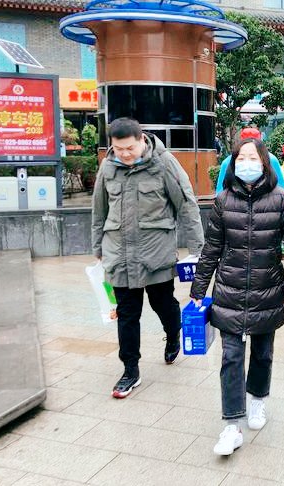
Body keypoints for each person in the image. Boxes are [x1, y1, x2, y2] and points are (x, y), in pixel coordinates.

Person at [190, 138, 284, 456]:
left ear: (265, 162)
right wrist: (199, 288)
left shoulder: (280, 198)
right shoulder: (223, 200)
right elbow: (212, 247)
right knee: (230, 358)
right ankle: (232, 425)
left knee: (263, 353)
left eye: (253, 157)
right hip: (229, 290)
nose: (246, 163)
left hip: (268, 291)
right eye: (241, 158)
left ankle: (257, 400)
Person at [92, 117, 205, 398]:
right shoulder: (108, 166)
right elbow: (99, 210)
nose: (124, 154)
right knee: (127, 314)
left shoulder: (164, 163)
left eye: (129, 148)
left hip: (156, 253)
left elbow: (187, 205)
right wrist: (97, 248)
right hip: (119, 254)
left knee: (162, 304)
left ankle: (173, 333)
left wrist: (197, 250)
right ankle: (130, 370)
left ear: (142, 140)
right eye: (118, 149)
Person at [215, 127, 284, 194]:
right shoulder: (271, 159)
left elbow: (220, 189)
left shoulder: (229, 160)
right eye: (241, 159)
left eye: (253, 159)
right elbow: (281, 185)